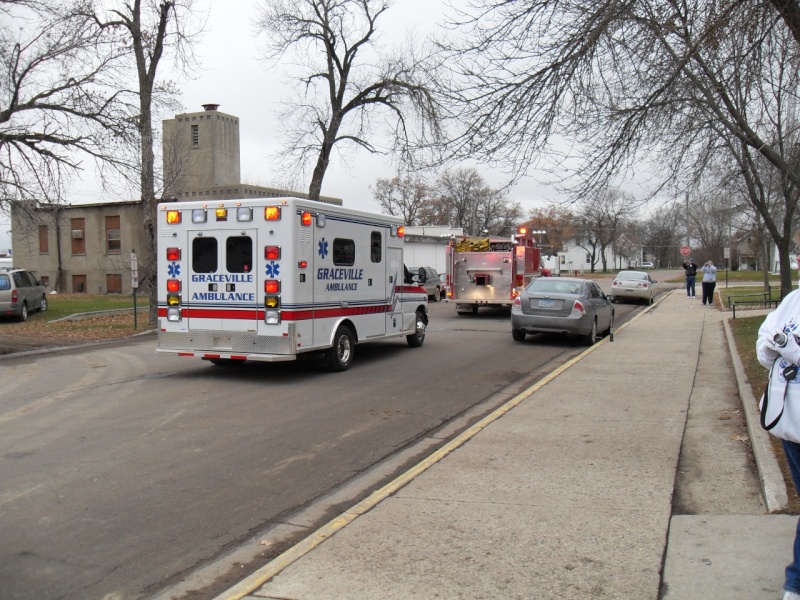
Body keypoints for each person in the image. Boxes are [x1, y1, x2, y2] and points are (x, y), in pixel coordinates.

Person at [757, 291, 800, 600]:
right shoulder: (793, 301)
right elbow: (764, 342)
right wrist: (773, 346)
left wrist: (790, 348)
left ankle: (795, 582)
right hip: (790, 423)